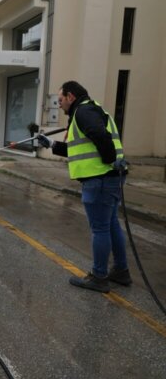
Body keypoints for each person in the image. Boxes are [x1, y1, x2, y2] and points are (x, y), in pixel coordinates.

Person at [37, 81, 131, 293]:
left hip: (100, 178)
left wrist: (109, 160)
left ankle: (99, 277)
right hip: (110, 177)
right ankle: (121, 271)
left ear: (71, 96)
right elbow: (80, 150)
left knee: (100, 228)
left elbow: (101, 137)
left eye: (60, 100)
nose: (59, 105)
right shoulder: (92, 109)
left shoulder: (83, 111)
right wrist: (51, 144)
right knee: (111, 224)